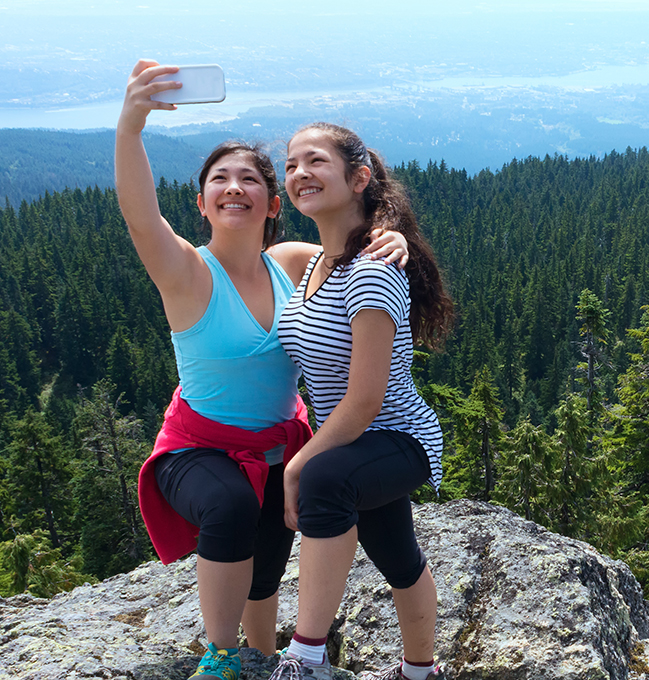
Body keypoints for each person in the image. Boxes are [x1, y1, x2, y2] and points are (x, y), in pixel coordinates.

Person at [115, 61, 410, 680]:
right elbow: (142, 217)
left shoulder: (290, 263)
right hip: (198, 449)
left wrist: (392, 237)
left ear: (273, 203)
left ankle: (266, 657)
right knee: (228, 510)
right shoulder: (188, 273)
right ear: (200, 203)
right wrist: (131, 126)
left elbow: (351, 243)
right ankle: (220, 654)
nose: (233, 187)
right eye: (219, 179)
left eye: (249, 179)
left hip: (280, 444)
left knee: (271, 557)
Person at [271, 122, 455, 680]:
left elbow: (367, 399)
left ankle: (306, 657)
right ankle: (421, 672)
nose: (301, 173)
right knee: (399, 557)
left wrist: (302, 462)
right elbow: (240, 256)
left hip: (396, 439)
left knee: (326, 483)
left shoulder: (372, 275)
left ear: (359, 178)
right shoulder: (306, 263)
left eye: (316, 162)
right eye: (291, 164)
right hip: (352, 444)